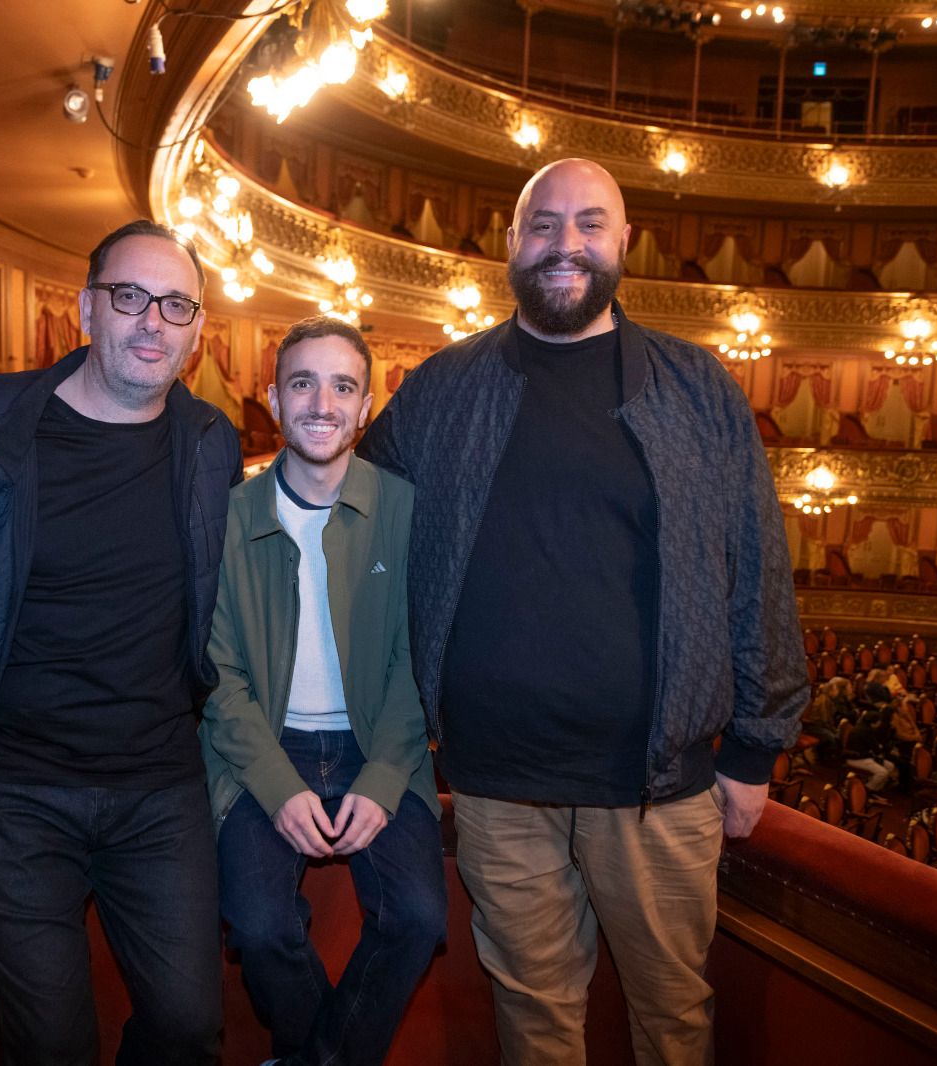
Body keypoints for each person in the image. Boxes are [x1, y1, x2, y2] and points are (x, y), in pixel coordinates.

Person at [357, 158, 806, 1066]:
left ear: (624, 241)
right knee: (534, 1016)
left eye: (590, 224)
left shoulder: (696, 385)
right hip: (493, 781)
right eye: (545, 225)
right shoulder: (443, 389)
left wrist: (757, 745)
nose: (567, 244)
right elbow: (350, 537)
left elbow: (757, 565)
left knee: (673, 1017)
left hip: (656, 785)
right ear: (512, 243)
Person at [0, 220, 241, 1065]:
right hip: (11, 790)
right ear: (86, 309)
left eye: (176, 306)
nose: (152, 321)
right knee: (50, 1047)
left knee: (187, 1029)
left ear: (197, 333)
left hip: (159, 788)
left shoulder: (214, 446)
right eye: (130, 297)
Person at [201, 316, 446, 1066]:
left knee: (417, 917)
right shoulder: (229, 516)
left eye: (343, 386)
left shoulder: (406, 510)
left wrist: (380, 781)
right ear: (274, 398)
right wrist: (277, 788)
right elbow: (219, 675)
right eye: (303, 383)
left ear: (366, 406)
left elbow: (418, 663)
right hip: (266, 748)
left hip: (379, 744)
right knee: (260, 924)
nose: (323, 402)